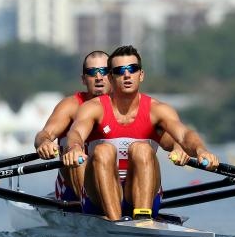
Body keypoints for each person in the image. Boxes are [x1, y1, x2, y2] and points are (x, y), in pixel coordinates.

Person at [62, 44, 219, 221]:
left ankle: (143, 221)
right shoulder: (93, 108)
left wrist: (200, 150)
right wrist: (74, 147)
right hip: (98, 197)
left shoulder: (158, 110)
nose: (127, 75)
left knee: (142, 149)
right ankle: (116, 223)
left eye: (133, 69)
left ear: (141, 75)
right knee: (103, 150)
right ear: (111, 78)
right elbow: (75, 132)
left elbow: (184, 135)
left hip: (142, 192)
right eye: (120, 71)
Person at [34, 50, 111, 202]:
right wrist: (44, 143)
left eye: (104, 71)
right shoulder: (70, 106)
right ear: (83, 79)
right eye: (92, 72)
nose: (99, 77)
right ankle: (89, 206)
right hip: (71, 191)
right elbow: (44, 134)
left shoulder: (123, 107)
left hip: (111, 184)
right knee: (76, 156)